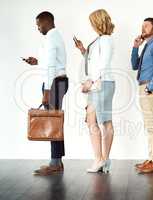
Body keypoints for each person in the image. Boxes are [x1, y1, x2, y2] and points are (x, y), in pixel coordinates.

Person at [23, 11, 69, 176]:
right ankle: (57, 161)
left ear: (47, 21)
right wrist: (37, 61)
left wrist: (47, 92)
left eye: (38, 24)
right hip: (57, 81)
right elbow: (50, 62)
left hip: (54, 84)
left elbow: (51, 67)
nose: (38, 28)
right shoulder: (54, 37)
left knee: (53, 123)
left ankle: (55, 162)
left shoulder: (51, 38)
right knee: (55, 122)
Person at [74, 9, 115, 173]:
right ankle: (102, 159)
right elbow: (95, 61)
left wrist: (90, 83)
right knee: (96, 121)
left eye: (93, 21)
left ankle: (101, 159)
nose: (91, 25)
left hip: (101, 83)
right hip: (100, 84)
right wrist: (83, 50)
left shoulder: (105, 39)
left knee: (101, 122)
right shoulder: (100, 39)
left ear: (98, 21)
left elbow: (103, 64)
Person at [131, 18, 153, 173]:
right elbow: (134, 65)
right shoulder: (146, 46)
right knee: (149, 125)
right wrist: (135, 48)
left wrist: (150, 88)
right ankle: (152, 158)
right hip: (144, 87)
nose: (143, 28)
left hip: (149, 88)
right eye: (142, 26)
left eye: (146, 26)